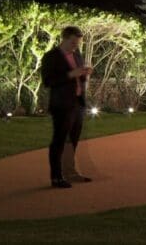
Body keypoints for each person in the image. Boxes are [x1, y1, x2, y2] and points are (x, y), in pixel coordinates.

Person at [40, 26, 92, 188]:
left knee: (72, 140)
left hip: (77, 103)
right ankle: (56, 177)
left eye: (78, 42)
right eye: (73, 42)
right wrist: (70, 75)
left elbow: (79, 78)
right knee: (59, 140)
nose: (76, 45)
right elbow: (48, 81)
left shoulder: (77, 55)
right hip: (62, 105)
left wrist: (84, 74)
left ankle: (70, 172)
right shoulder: (51, 57)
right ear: (64, 38)